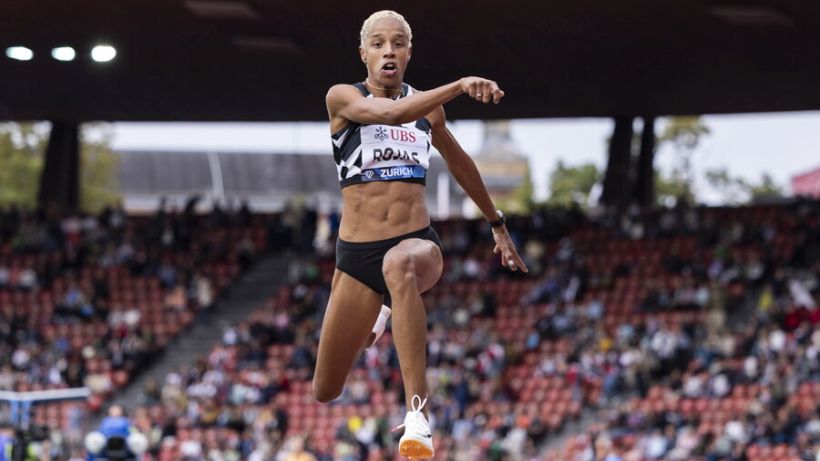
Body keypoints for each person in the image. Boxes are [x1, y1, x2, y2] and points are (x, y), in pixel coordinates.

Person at [312, 10, 528, 459]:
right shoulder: (343, 97)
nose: (388, 51)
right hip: (356, 256)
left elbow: (460, 162)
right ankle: (383, 310)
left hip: (416, 244)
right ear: (364, 53)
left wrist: (497, 222)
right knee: (325, 389)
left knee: (399, 264)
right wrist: (460, 84)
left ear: (409, 52)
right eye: (378, 43)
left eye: (398, 43)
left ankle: (418, 417)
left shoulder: (429, 109)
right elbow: (391, 113)